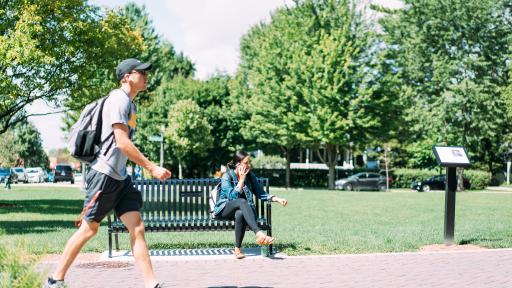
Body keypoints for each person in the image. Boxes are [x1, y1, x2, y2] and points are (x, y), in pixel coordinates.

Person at [45, 58, 172, 288]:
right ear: (126, 76)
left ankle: (151, 284)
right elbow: (122, 143)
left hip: (120, 177)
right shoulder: (118, 100)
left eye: (146, 72)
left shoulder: (131, 105)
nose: (146, 75)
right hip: (103, 175)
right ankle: (55, 279)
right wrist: (152, 167)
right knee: (89, 229)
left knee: (137, 227)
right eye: (140, 72)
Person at [213, 151, 288, 259]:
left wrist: (277, 199)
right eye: (246, 162)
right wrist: (241, 180)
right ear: (238, 164)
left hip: (244, 212)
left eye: (249, 162)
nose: (249, 165)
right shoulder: (227, 176)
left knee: (240, 213)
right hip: (225, 209)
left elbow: (260, 193)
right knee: (242, 201)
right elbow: (232, 198)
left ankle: (237, 249)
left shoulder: (251, 176)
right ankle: (259, 234)